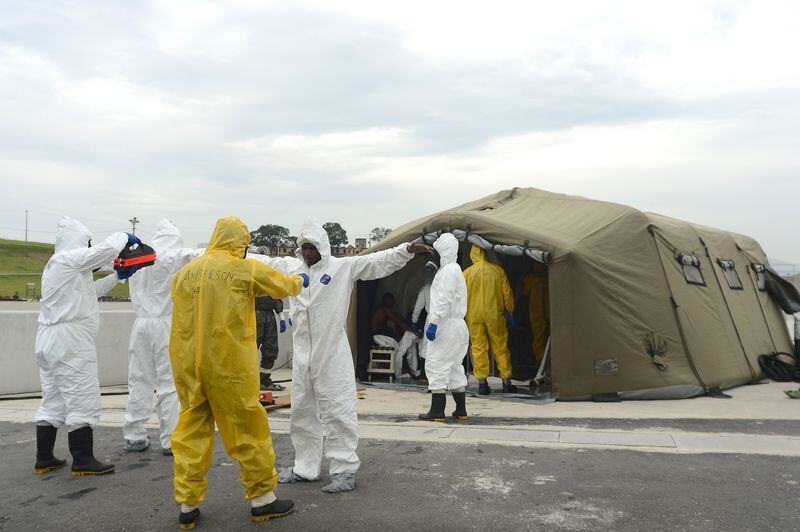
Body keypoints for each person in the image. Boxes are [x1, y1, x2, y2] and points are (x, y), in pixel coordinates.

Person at [248, 219, 431, 493]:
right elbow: (259, 262)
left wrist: (407, 249)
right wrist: (230, 251)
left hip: (332, 356)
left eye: (312, 247)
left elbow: (378, 261)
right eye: (304, 248)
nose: (308, 252)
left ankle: (344, 470)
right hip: (302, 359)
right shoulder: (292, 270)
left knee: (338, 412)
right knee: (302, 413)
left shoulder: (342, 267)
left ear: (322, 247)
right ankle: (305, 468)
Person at [169, 216, 307, 529]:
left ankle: (187, 505)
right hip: (228, 364)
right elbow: (283, 285)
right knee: (247, 426)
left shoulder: (183, 274)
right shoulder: (243, 269)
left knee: (190, 430)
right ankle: (263, 501)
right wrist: (302, 281)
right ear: (240, 243)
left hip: (188, 364)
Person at [34, 216, 139, 476]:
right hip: (69, 341)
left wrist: (117, 276)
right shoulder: (68, 260)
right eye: (86, 242)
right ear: (77, 241)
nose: (89, 246)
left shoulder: (62, 267)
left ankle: (44, 458)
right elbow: (103, 251)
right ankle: (83, 459)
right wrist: (124, 236)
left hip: (50, 338)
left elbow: (89, 292)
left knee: (54, 399)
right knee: (82, 395)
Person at [123, 219, 203, 455]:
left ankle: (134, 434)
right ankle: (170, 438)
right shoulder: (173, 256)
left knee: (138, 378)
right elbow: (199, 255)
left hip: (140, 324)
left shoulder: (139, 259)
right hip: (166, 324)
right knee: (169, 382)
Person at [418, 233, 469, 421]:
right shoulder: (455, 269)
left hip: (445, 325)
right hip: (457, 326)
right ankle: (461, 410)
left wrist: (433, 322)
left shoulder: (447, 271)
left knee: (436, 363)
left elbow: (444, 299)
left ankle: (437, 411)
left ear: (443, 251)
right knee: (455, 366)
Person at [463, 245, 518, 395]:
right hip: (494, 314)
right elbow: (506, 293)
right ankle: (506, 382)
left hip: (473, 315)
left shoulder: (466, 273)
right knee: (500, 346)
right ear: (485, 254)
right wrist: (511, 310)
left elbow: (460, 297)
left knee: (478, 347)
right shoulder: (497, 270)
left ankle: (482, 383)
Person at [371, 292, 422, 379]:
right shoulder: (383, 309)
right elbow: (397, 321)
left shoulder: (389, 312)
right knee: (400, 350)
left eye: (393, 301)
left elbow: (397, 322)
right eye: (390, 300)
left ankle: (408, 371)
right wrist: (413, 331)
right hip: (379, 337)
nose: (392, 303)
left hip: (387, 337)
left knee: (406, 342)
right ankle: (398, 374)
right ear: (385, 300)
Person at [255, 296, 287, 390]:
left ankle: (264, 380)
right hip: (253, 313)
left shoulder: (272, 281)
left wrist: (282, 317)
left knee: (271, 348)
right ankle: (247, 380)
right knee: (251, 349)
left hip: (269, 314)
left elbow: (275, 294)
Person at [522, 262, 550, 365]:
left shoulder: (531, 279)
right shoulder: (550, 276)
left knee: (538, 338)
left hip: (536, 313)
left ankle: (540, 362)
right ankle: (546, 363)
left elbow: (524, 292)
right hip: (551, 313)